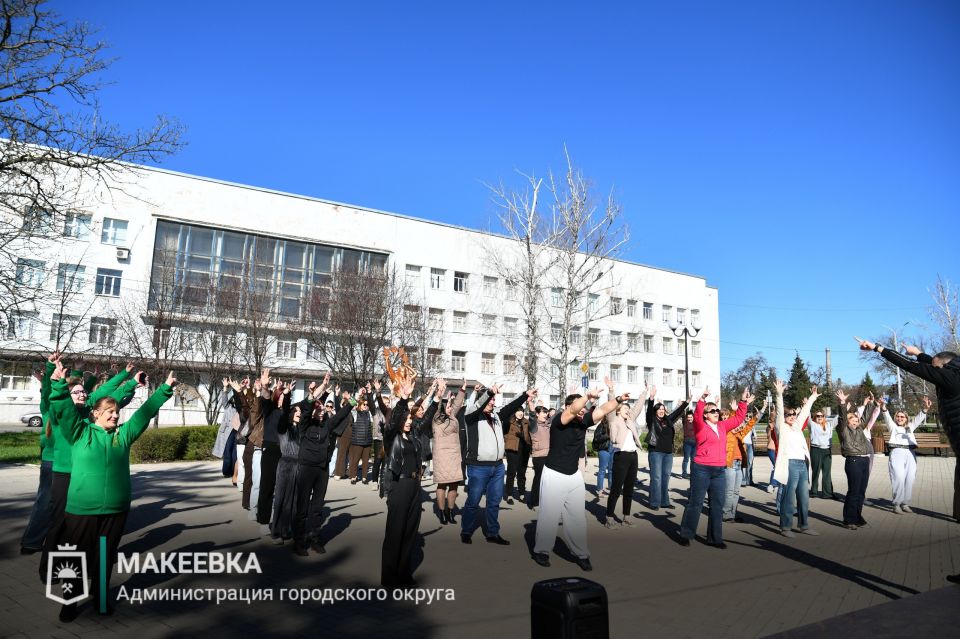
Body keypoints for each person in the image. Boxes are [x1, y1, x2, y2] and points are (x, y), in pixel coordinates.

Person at [48, 363, 173, 621]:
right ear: (95, 414)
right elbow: (64, 410)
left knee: (105, 558)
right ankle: (69, 602)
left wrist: (163, 390)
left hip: (115, 510)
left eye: (116, 412)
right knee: (76, 557)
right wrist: (59, 385)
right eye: (109, 412)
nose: (115, 416)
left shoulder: (122, 435)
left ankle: (101, 599)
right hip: (82, 510)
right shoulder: (80, 433)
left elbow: (143, 414)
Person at [39, 357, 137, 585]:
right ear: (68, 395)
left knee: (85, 531)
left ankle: (89, 570)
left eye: (84, 392)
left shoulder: (88, 414)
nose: (83, 395)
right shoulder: (60, 412)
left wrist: (128, 379)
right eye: (77, 392)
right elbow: (51, 396)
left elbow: (107, 394)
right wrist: (53, 372)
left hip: (85, 479)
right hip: (64, 474)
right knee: (59, 525)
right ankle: (49, 570)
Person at [533, 380, 620, 570]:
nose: (583, 411)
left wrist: (618, 398)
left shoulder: (583, 421)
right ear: (567, 407)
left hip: (574, 476)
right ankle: (542, 551)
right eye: (580, 407)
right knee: (549, 516)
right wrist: (587, 396)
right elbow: (574, 409)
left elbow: (604, 409)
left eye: (583, 408)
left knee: (577, 518)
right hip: (554, 475)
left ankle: (581, 554)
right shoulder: (559, 420)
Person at [678, 387, 752, 548]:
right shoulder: (700, 425)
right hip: (701, 469)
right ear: (706, 415)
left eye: (717, 410)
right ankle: (686, 534)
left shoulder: (722, 426)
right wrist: (702, 399)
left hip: (719, 470)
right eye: (712, 411)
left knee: (717, 505)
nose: (716, 412)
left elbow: (739, 418)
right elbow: (697, 414)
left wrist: (743, 401)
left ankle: (715, 538)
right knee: (696, 503)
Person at [460, 384, 532, 545]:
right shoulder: (471, 415)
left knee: (494, 502)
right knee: (473, 501)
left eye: (493, 400)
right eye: (490, 400)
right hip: (478, 467)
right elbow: (479, 405)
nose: (493, 402)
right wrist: (489, 392)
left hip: (498, 467)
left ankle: (493, 533)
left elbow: (511, 406)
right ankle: (466, 531)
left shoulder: (496, 416)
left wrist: (525, 395)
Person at [293, 374, 352, 556]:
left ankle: (315, 539)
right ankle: (299, 541)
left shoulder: (326, 426)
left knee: (317, 508)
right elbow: (306, 408)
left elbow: (340, 415)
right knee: (302, 507)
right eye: (317, 409)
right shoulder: (304, 425)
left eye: (322, 410)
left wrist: (352, 402)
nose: (320, 412)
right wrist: (319, 390)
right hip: (306, 469)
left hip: (322, 470)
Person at [380, 378, 426, 588]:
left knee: (409, 533)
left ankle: (404, 574)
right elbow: (394, 418)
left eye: (410, 418)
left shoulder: (413, 437)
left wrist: (434, 398)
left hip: (415, 487)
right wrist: (403, 399)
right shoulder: (392, 437)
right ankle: (389, 578)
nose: (408, 421)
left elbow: (425, 418)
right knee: (395, 532)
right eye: (405, 419)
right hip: (399, 486)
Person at [772, 380, 819, 538]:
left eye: (793, 414)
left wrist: (812, 397)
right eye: (789, 415)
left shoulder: (797, 427)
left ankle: (804, 526)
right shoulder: (781, 427)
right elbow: (780, 412)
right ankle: (785, 527)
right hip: (790, 464)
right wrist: (779, 394)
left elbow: (804, 412)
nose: (792, 416)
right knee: (789, 497)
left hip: (802, 464)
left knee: (804, 497)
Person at [20, 354, 57, 555]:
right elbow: (48, 392)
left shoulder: (76, 410)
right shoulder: (49, 408)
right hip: (52, 461)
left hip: (71, 464)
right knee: (45, 501)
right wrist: (50, 368)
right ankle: (32, 541)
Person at [603, 386, 647, 526]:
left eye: (628, 408)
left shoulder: (630, 419)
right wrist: (611, 391)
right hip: (621, 456)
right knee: (616, 489)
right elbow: (610, 408)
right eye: (624, 408)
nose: (628, 410)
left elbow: (638, 407)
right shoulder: (613, 419)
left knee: (629, 489)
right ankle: (609, 518)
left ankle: (626, 517)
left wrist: (644, 392)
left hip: (633, 456)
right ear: (618, 410)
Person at [834, 388, 878, 529]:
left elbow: (865, 417)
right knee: (853, 491)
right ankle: (849, 519)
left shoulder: (860, 428)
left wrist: (871, 403)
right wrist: (842, 403)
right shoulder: (844, 430)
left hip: (864, 460)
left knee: (861, 492)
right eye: (852, 420)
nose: (855, 422)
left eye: (856, 420)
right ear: (847, 422)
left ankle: (857, 517)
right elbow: (842, 418)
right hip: (853, 461)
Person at [256, 380, 292, 536]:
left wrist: (287, 394)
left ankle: (283, 523)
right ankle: (263, 521)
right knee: (267, 486)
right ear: (276, 397)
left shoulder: (287, 413)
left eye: (285, 396)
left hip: (285, 451)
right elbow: (265, 398)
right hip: (270, 449)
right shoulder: (270, 410)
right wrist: (265, 387)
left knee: (284, 489)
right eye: (281, 395)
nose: (283, 398)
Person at [884, 396, 931, 514]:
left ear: (906, 418)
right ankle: (896, 504)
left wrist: (925, 408)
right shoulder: (893, 427)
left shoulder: (910, 427)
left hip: (910, 453)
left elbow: (919, 418)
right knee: (898, 477)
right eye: (898, 416)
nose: (900, 418)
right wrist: (883, 407)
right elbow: (887, 417)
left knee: (910, 479)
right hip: (897, 452)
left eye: (902, 417)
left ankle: (905, 503)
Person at [645, 385, 686, 511]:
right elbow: (649, 412)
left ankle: (665, 501)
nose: (661, 411)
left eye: (663, 409)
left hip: (668, 453)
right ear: (656, 411)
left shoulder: (668, 420)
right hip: (656, 452)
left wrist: (686, 403)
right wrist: (651, 398)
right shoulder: (652, 420)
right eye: (659, 409)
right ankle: (654, 502)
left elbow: (677, 413)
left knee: (666, 477)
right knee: (656, 478)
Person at [723, 401, 764, 523]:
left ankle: (733, 514)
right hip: (730, 464)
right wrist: (734, 411)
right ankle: (726, 514)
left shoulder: (739, 433)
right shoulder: (726, 431)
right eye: (722, 416)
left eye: (726, 415)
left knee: (736, 492)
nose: (724, 417)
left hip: (739, 464)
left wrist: (757, 415)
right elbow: (732, 421)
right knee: (729, 491)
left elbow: (749, 426)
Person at [432, 379, 465, 524]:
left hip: (454, 456)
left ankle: (450, 511)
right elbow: (438, 406)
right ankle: (441, 511)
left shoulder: (452, 417)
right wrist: (441, 392)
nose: (450, 408)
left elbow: (457, 404)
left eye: (451, 407)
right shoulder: (437, 419)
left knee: (454, 484)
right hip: (442, 456)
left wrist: (462, 390)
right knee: (442, 484)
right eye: (448, 406)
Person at [503, 405, 531, 505]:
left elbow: (530, 435)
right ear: (514, 412)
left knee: (522, 474)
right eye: (518, 411)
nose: (520, 413)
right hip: (512, 450)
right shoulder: (509, 422)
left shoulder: (526, 422)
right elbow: (504, 430)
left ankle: (522, 494)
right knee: (511, 473)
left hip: (524, 451)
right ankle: (509, 495)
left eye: (522, 411)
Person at [808, 407, 838, 499]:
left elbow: (838, 418)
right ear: (814, 417)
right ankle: (814, 492)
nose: (820, 417)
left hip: (827, 450)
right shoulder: (812, 425)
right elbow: (807, 416)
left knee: (827, 473)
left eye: (822, 416)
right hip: (816, 450)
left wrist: (843, 407)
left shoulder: (829, 425)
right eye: (818, 416)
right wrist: (806, 406)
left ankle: (827, 493)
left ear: (824, 417)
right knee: (816, 472)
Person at [349, 385, 375, 485]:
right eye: (364, 404)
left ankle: (364, 477)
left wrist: (369, 393)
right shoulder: (356, 413)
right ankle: (353, 477)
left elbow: (372, 406)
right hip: (357, 441)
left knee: (365, 461)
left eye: (367, 405)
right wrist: (358, 394)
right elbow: (352, 406)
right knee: (355, 460)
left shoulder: (369, 414)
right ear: (360, 405)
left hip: (367, 441)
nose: (366, 406)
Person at [526, 403, 551, 509]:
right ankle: (534, 502)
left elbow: (558, 415)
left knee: (548, 480)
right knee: (539, 479)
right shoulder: (534, 425)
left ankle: (544, 501)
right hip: (539, 456)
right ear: (537, 414)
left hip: (549, 455)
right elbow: (531, 419)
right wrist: (531, 409)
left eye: (546, 412)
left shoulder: (547, 425)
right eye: (543, 412)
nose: (546, 414)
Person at [680, 410, 696, 479]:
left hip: (695, 443)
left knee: (693, 459)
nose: (689, 418)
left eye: (691, 417)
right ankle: (684, 473)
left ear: (693, 417)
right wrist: (682, 406)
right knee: (686, 459)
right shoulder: (685, 422)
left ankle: (692, 473)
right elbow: (683, 414)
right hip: (687, 443)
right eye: (688, 417)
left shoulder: (696, 423)